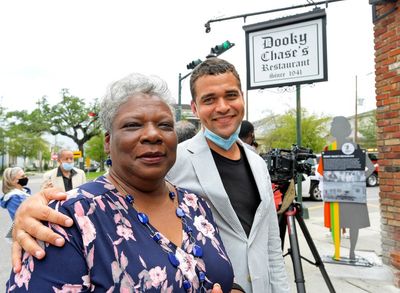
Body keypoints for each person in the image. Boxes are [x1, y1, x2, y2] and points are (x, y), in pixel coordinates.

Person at [11, 58, 289, 293]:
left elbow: (264, 247)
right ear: (108, 141)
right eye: (133, 125)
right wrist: (24, 212)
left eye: (164, 125)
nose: (153, 135)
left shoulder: (196, 205)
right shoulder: (68, 220)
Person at [318, 116, 373, 260]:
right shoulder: (354, 147)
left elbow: (322, 172)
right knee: (352, 223)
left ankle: (338, 253)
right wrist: (358, 179)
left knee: (338, 223)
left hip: (336, 192)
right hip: (352, 192)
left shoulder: (329, 149)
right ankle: (351, 253)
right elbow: (371, 168)